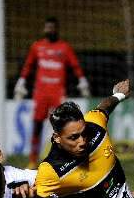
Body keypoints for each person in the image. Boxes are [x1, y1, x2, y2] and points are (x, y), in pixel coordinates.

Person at [13, 16, 90, 169]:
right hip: (41, 93)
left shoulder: (64, 48)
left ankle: (66, 157)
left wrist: (82, 80)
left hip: (57, 93)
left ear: (56, 29)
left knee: (64, 127)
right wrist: (21, 82)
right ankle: (33, 160)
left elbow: (75, 65)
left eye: (52, 28)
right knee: (37, 126)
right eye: (47, 27)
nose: (49, 30)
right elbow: (28, 65)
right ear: (44, 29)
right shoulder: (37, 46)